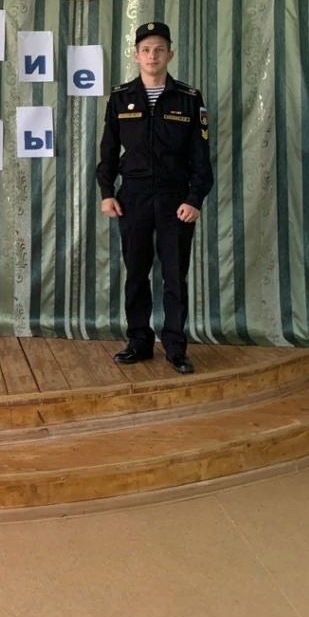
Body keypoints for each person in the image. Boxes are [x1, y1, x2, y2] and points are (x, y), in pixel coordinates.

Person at [96, 22, 213, 374]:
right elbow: (108, 152)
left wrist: (194, 199)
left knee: (174, 276)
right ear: (136, 55)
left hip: (176, 199)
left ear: (170, 54)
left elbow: (201, 158)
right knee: (136, 273)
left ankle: (176, 347)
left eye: (159, 49)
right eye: (146, 50)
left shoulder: (189, 99)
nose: (152, 56)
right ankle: (139, 341)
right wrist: (106, 193)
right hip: (132, 197)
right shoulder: (120, 98)